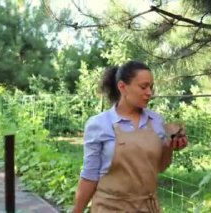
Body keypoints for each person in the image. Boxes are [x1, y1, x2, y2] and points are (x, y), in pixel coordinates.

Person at [73, 60, 188, 213]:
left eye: (151, 87)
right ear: (122, 87)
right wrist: (78, 210)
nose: (149, 92)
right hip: (109, 208)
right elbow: (90, 175)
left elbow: (159, 167)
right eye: (143, 86)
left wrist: (170, 147)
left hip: (147, 208)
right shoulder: (99, 124)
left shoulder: (156, 121)